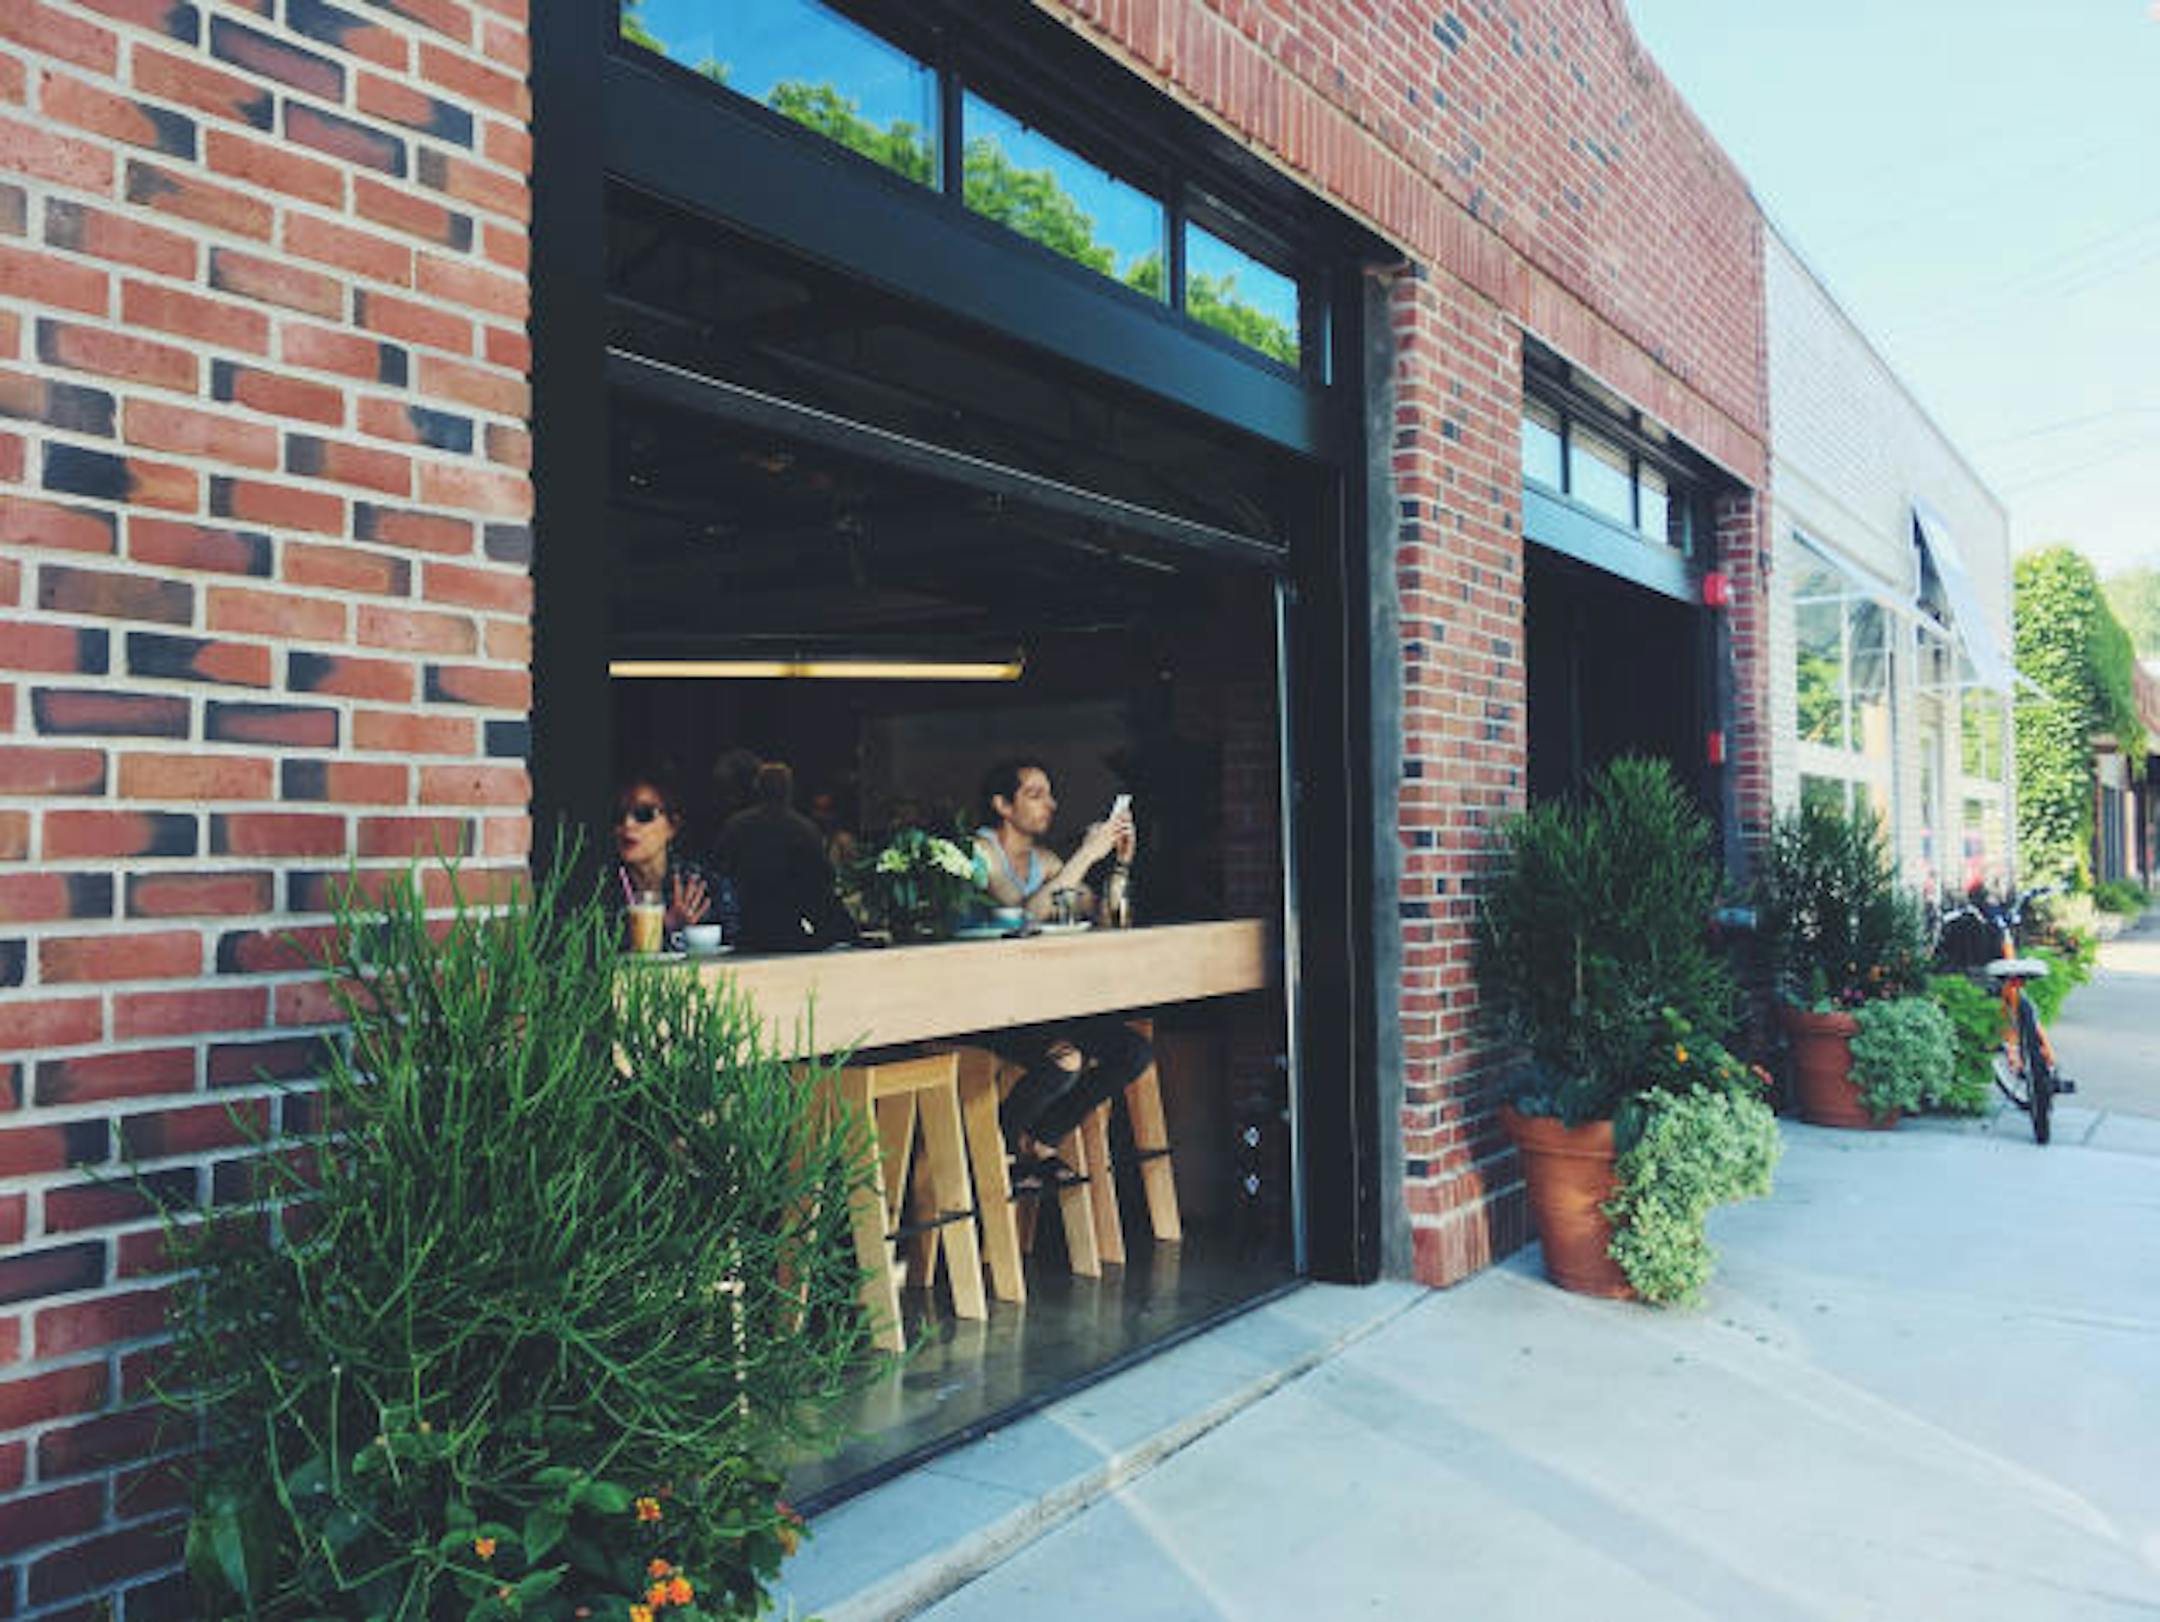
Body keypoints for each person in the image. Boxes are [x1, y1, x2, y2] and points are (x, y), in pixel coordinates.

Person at [973, 758, 1149, 1188]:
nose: (1050, 804)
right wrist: (1087, 854)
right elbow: (1026, 914)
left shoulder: (1046, 860)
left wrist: (1120, 864)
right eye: (1035, 794)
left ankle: (1041, 1140)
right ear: (1002, 805)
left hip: (1037, 1002)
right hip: (986, 1004)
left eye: (1050, 794)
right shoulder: (981, 852)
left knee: (1133, 1052)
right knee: (1064, 1060)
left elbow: (1106, 916)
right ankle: (994, 1152)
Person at [715, 761, 855, 952]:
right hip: (789, 925)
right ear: (789, 791)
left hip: (748, 926)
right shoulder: (804, 829)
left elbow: (720, 871)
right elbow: (823, 878)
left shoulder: (736, 826)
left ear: (757, 789)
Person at [611, 765, 722, 940]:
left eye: (643, 814)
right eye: (618, 815)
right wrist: (664, 927)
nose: (627, 824)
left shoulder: (703, 885)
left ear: (672, 826)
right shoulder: (600, 890)